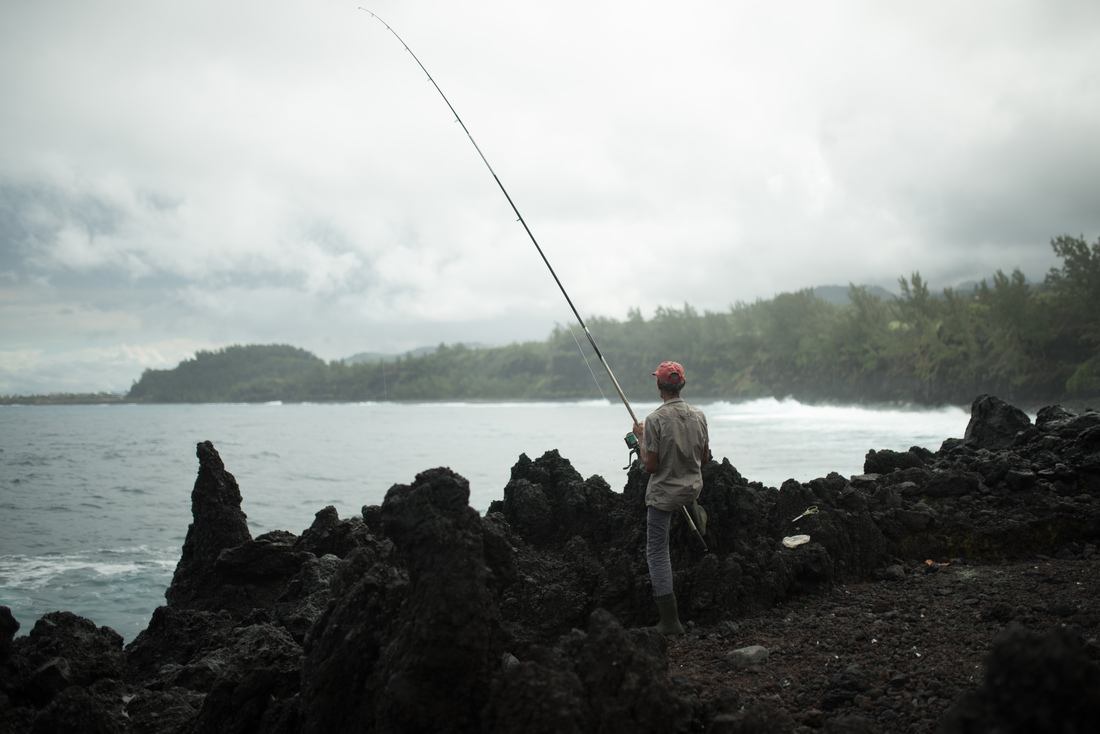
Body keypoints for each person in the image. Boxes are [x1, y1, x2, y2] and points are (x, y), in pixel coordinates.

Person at [631, 360, 710, 635]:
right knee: (685, 497)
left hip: (664, 495)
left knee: (657, 552)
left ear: (658, 385)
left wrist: (641, 439)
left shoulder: (654, 420)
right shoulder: (699, 415)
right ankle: (697, 516)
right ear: (682, 384)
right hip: (692, 488)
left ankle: (669, 621)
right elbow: (705, 457)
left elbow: (650, 466)